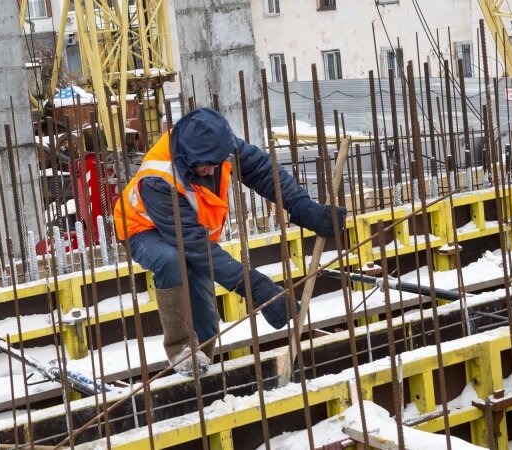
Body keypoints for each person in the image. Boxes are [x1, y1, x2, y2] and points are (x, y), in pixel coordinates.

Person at [113, 108, 347, 376]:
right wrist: (261, 291)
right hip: (141, 228)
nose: (214, 169)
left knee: (207, 326)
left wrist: (302, 207)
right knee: (171, 260)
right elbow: (197, 249)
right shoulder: (158, 179)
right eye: (207, 165)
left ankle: (201, 370)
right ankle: (180, 349)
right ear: (186, 158)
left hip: (192, 236)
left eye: (217, 161)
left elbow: (262, 170)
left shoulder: (216, 144)